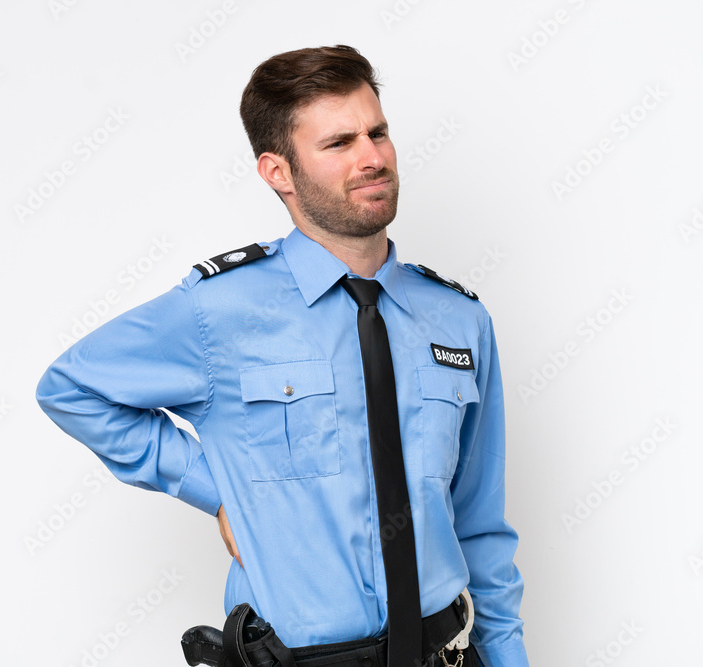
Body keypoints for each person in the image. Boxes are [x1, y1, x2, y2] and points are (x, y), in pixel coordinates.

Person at [37, 45, 528, 667]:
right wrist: (216, 491)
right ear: (278, 172)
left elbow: (480, 524)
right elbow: (71, 387)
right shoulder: (219, 311)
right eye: (340, 143)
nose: (373, 157)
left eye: (378, 133)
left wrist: (508, 657)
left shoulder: (459, 319)